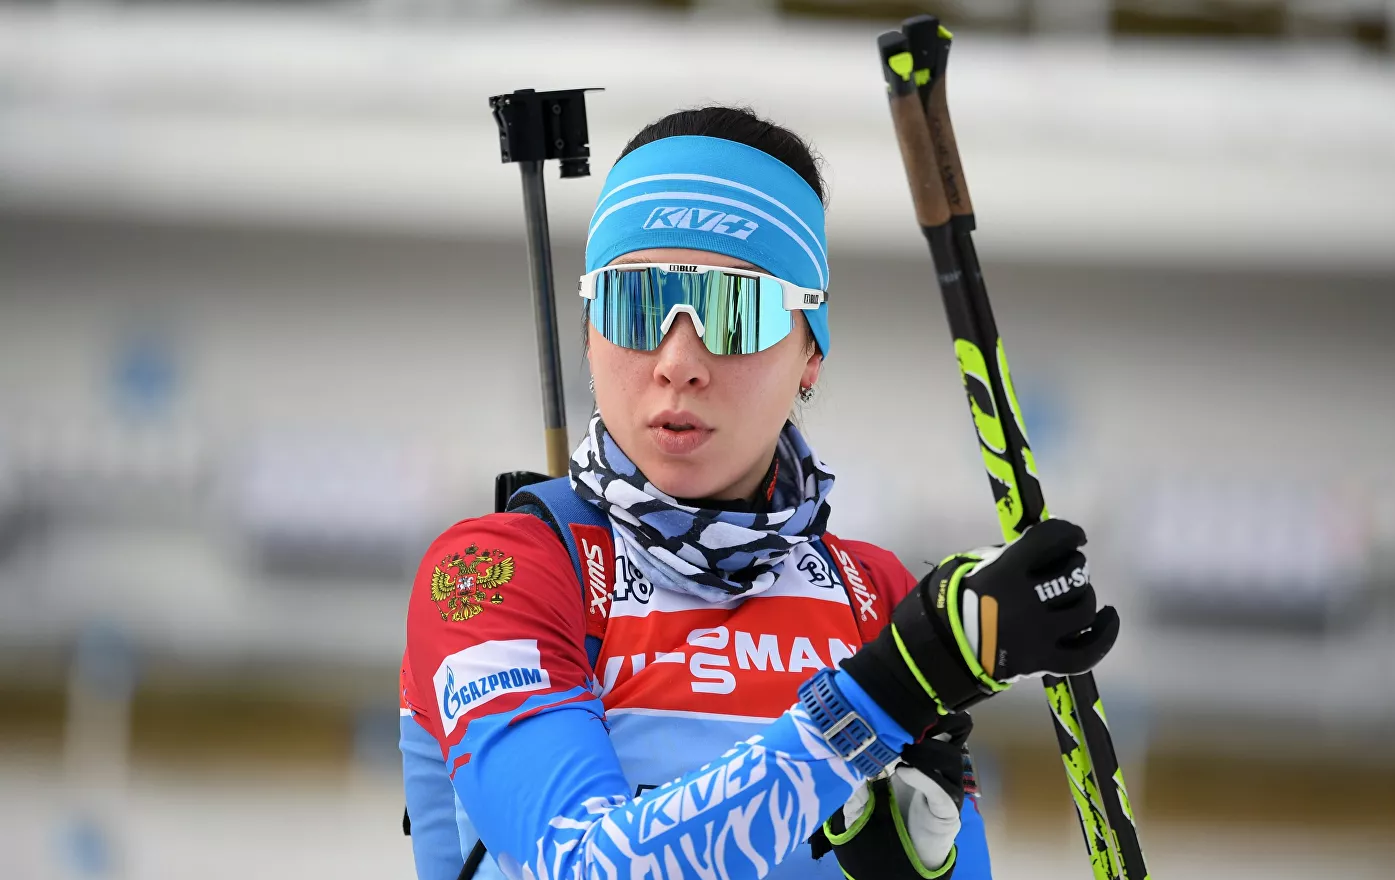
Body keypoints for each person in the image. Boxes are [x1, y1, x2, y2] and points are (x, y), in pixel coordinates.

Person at [399, 106, 1119, 880]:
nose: (678, 362)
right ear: (588, 329)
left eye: (733, 313)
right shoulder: (495, 573)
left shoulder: (876, 597)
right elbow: (581, 864)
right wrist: (885, 693)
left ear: (811, 352)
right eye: (635, 304)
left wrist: (919, 867)